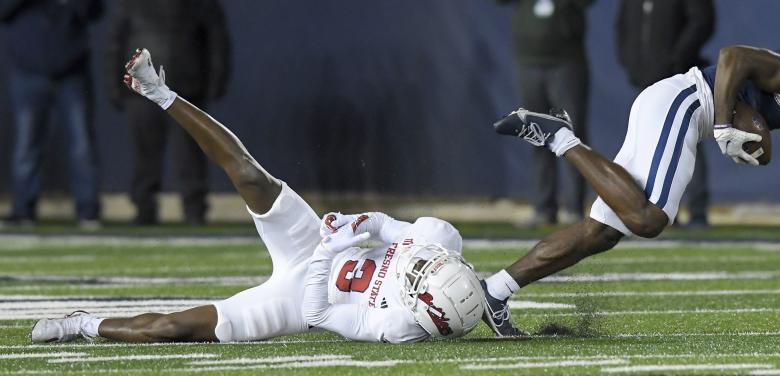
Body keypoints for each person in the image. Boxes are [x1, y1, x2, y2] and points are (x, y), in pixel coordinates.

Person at [482, 21, 780, 335]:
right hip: (687, 104)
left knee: (600, 232)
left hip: (684, 108)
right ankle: (560, 137)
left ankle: (495, 291)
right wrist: (724, 123)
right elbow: (733, 57)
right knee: (649, 219)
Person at [30, 49, 484, 344]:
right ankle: (160, 92)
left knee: (174, 328)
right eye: (435, 260)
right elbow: (384, 225)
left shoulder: (398, 326)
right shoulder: (440, 238)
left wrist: (330, 248)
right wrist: (353, 223)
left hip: (298, 294)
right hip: (319, 243)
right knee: (250, 175)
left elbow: (317, 311)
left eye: (424, 272)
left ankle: (82, 324)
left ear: (418, 304)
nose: (425, 260)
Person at [105, 0, 231, 225]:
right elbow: (117, 40)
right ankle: (144, 209)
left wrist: (216, 80)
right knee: (145, 154)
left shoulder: (201, 4)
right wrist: (115, 85)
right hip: (143, 90)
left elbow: (217, 39)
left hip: (187, 89)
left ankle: (195, 209)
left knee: (190, 155)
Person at [0, 0, 103, 229]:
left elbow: (95, 11)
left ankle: (88, 211)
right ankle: (23, 210)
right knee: (27, 145)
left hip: (72, 71)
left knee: (82, 144)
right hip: (28, 70)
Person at [616, 0, 715, 227]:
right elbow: (622, 27)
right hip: (644, 78)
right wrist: (629, 61)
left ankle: (697, 210)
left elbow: (703, 22)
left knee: (688, 140)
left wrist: (676, 58)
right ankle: (660, 209)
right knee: (647, 146)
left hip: (677, 77)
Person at [496, 0, 593, 227]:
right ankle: (543, 207)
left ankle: (574, 208)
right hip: (528, 62)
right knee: (535, 135)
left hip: (566, 62)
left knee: (572, 134)